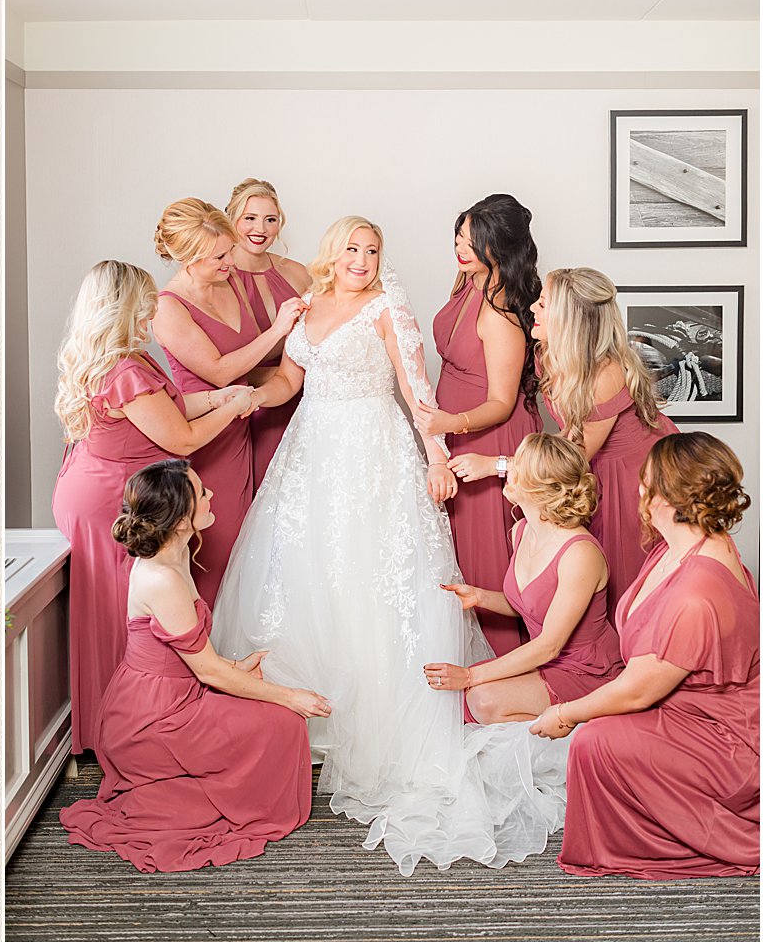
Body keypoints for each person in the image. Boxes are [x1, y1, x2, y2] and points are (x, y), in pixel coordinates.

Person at [212, 216, 567, 876]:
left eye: (373, 249)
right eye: (352, 247)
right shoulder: (309, 306)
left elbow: (415, 391)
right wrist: (239, 398)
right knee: (309, 580)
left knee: (376, 584)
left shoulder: (387, 307)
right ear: (332, 251)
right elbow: (289, 384)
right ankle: (307, 727)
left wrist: (436, 457)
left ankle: (377, 728)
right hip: (312, 458)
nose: (363, 258)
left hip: (376, 458)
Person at [60, 459, 328, 873]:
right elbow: (208, 672)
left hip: (175, 693)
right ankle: (206, 793)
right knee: (286, 722)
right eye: (202, 493)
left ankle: (223, 787)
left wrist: (238, 666)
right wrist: (290, 697)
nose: (212, 495)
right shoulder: (161, 578)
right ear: (182, 516)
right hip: (154, 717)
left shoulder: (177, 553)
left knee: (276, 720)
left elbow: (196, 660)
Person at [530, 432, 757, 878]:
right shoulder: (677, 550)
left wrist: (565, 714)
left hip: (723, 737)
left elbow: (636, 692)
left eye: (645, 483)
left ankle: (671, 839)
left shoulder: (698, 591)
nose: (638, 491)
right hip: (685, 707)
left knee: (596, 740)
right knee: (597, 728)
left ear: (668, 499)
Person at [52, 260, 255, 755]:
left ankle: (124, 722)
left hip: (100, 485)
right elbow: (180, 438)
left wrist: (216, 396)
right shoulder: (123, 370)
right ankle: (124, 730)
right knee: (121, 611)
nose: (152, 311)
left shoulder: (120, 358)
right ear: (123, 308)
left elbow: (170, 408)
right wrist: (232, 409)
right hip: (112, 498)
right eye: (143, 303)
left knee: (122, 607)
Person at [451, 268, 677, 606]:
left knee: (624, 583)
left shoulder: (605, 374)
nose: (531, 310)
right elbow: (568, 434)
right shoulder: (549, 354)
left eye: (543, 304)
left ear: (569, 317)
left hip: (633, 475)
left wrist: (496, 464)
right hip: (593, 467)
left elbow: (572, 455)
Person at [415, 195, 542, 655]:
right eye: (459, 235)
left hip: (490, 436)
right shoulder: (467, 280)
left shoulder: (502, 309)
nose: (460, 246)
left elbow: (502, 403)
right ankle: (467, 660)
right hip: (456, 434)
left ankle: (506, 661)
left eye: (472, 240)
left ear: (500, 247)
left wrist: (451, 421)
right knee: (455, 556)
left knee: (488, 558)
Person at [153, 198, 295, 602]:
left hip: (248, 424)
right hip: (208, 437)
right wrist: (278, 329)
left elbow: (251, 370)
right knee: (217, 547)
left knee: (256, 549)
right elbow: (219, 371)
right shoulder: (169, 307)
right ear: (191, 259)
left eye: (228, 250)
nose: (230, 262)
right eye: (219, 256)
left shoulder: (227, 280)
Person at [424, 434, 622, 722]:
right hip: (546, 662)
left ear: (539, 489)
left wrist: (469, 676)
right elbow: (531, 606)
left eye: (519, 466)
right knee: (456, 702)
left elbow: (549, 644)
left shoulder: (580, 554)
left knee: (481, 698)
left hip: (588, 671)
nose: (509, 470)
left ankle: (578, 731)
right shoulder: (521, 530)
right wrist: (480, 597)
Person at [224, 179, 310, 488]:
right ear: (231, 218)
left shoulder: (298, 272)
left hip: (295, 399)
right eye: (250, 218)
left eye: (269, 219)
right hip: (239, 402)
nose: (260, 228)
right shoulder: (218, 275)